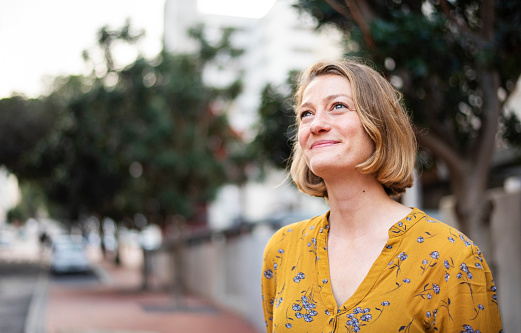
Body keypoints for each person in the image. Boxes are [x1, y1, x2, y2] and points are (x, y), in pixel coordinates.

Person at [261, 58, 502, 332]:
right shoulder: (282, 250)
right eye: (306, 113)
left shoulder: (450, 257)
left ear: (379, 125)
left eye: (338, 106)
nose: (316, 124)